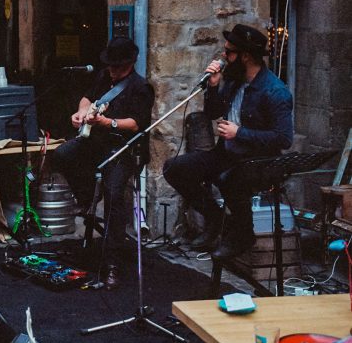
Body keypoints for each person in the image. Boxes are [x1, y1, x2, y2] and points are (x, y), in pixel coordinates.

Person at [164, 24, 294, 260]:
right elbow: (213, 112)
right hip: (227, 153)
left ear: (245, 56)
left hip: (257, 160)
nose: (224, 56)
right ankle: (217, 219)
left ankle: (244, 233)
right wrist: (212, 87)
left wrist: (240, 132)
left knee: (230, 178)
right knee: (175, 168)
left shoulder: (275, 91)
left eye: (229, 52)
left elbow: (284, 138)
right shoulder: (234, 81)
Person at [44, 37, 153, 290]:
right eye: (111, 65)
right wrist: (82, 113)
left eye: (118, 66)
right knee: (62, 154)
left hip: (122, 147)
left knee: (114, 194)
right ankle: (85, 198)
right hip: (96, 142)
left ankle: (113, 260)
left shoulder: (140, 87)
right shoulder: (104, 77)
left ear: (129, 64)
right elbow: (87, 97)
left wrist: (108, 122)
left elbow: (137, 124)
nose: (113, 70)